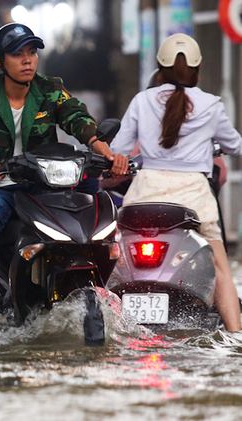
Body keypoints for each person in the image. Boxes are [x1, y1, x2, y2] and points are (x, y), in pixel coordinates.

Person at [0, 23, 129, 316]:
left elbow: (77, 117)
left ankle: (105, 287)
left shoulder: (50, 89)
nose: (27, 60)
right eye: (18, 54)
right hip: (4, 184)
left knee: (97, 206)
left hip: (47, 183)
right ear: (0, 61)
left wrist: (107, 153)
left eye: (32, 53)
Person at [110, 33, 241, 332]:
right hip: (194, 198)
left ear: (159, 68)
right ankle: (236, 337)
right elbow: (234, 145)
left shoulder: (142, 100)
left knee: (114, 255)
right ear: (197, 69)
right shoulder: (211, 105)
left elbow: (118, 149)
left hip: (145, 194)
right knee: (221, 269)